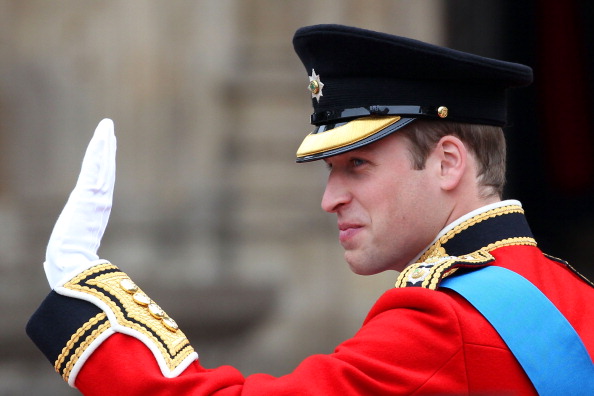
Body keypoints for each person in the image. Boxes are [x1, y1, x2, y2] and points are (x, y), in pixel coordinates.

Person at [26, 24, 594, 395]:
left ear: (448, 163)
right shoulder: (572, 294)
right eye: (330, 171)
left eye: (358, 166)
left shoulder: (442, 324)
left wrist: (88, 297)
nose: (330, 199)